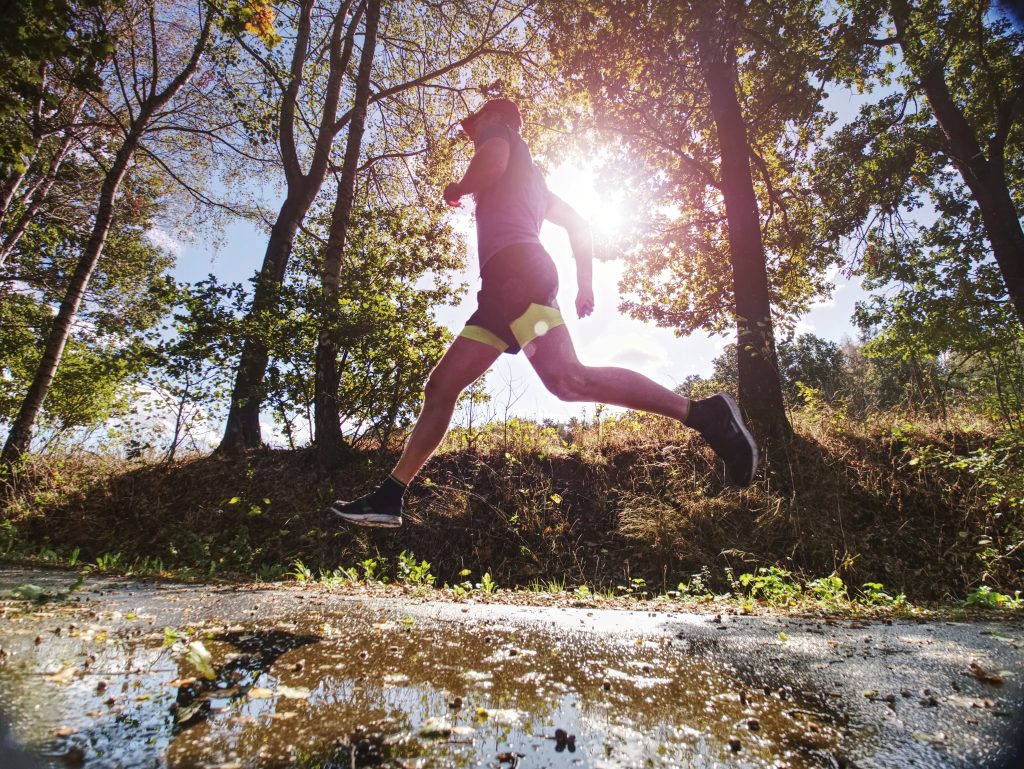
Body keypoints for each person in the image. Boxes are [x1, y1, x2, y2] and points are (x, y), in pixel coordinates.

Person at [331, 98, 758, 528]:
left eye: (474, 128)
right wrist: (585, 283)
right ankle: (389, 497)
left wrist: (459, 188)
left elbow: (492, 164)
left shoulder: (500, 136)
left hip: (517, 278)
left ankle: (706, 415)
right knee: (443, 387)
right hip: (505, 292)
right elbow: (579, 224)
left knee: (569, 379)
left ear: (492, 120)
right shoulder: (535, 180)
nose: (473, 137)